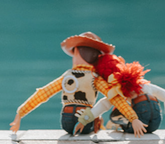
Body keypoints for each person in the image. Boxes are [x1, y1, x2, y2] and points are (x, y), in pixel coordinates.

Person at [9, 32, 143, 136]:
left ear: (76, 52)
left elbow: (43, 94)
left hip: (66, 122)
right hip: (84, 121)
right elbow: (115, 98)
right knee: (98, 115)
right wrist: (133, 118)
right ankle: (97, 122)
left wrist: (20, 114)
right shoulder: (95, 79)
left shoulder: (66, 76)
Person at [74, 52, 165, 135]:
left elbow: (104, 105)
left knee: (115, 115)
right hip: (156, 121)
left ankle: (117, 124)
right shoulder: (143, 84)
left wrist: (84, 120)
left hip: (139, 122)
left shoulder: (117, 90)